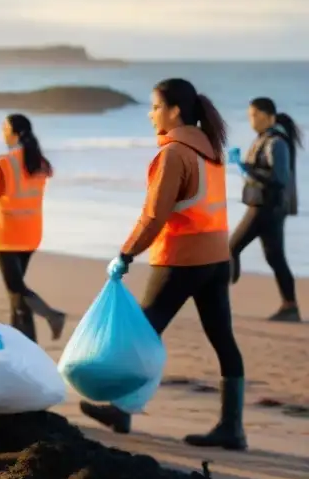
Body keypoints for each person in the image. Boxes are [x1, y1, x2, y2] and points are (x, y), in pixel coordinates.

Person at [82, 78, 247, 451]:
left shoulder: (174, 153)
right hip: (217, 257)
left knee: (140, 334)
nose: (150, 114)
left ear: (174, 111)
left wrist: (125, 254)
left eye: (155, 107)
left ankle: (120, 411)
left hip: (182, 259)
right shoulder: (212, 151)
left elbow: (154, 216)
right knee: (223, 339)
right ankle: (232, 428)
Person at [0, 114, 65, 341]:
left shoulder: (4, 162)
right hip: (31, 233)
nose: (2, 132)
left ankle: (52, 316)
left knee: (15, 289)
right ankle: (23, 343)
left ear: (14, 132)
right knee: (16, 295)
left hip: (8, 234)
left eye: (4, 127)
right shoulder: (40, 163)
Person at [228, 97, 301, 322]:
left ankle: (220, 302)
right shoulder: (265, 139)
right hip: (269, 207)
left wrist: (245, 168)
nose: (251, 121)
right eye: (250, 116)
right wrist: (244, 167)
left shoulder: (275, 142)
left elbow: (279, 178)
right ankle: (290, 307)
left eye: (254, 116)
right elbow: (265, 172)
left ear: (268, 116)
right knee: (275, 258)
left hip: (265, 208)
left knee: (230, 248)